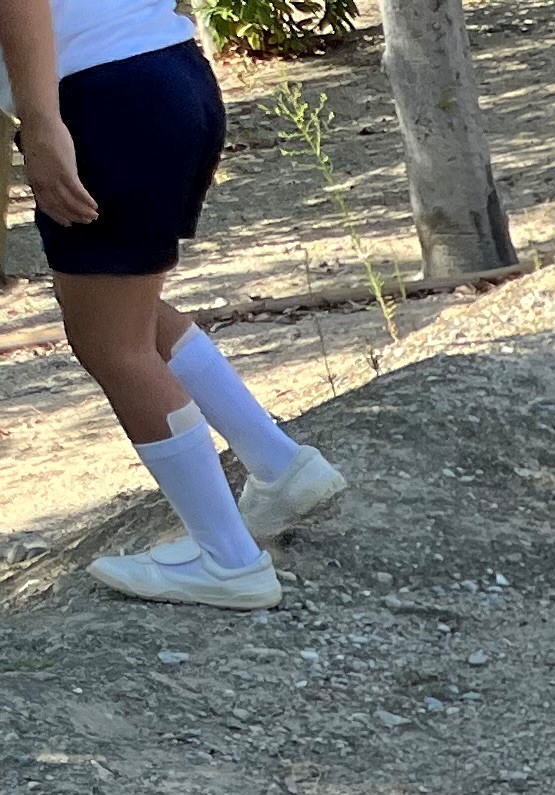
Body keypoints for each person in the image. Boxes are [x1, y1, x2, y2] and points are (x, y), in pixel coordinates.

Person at [7, 0, 345, 609]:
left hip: (102, 99)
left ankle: (229, 561)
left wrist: (40, 123)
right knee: (119, 307)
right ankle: (281, 466)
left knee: (112, 346)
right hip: (170, 70)